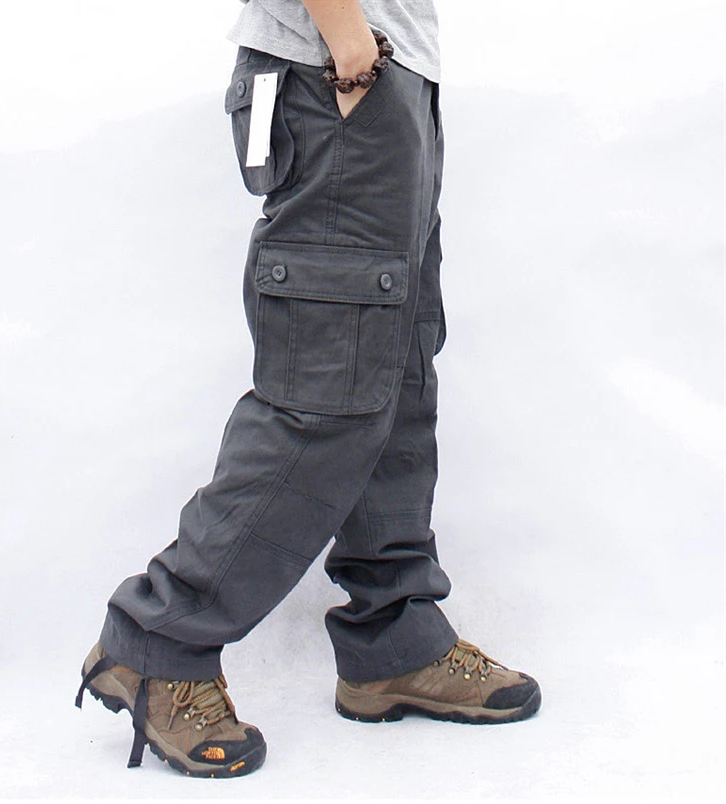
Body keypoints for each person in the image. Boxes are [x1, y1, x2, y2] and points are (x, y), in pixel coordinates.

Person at [75, 0, 541, 779]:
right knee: (326, 392)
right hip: (335, 68)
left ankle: (394, 638)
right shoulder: (349, 59)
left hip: (385, 77)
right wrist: (352, 45)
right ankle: (156, 638)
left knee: (396, 374)